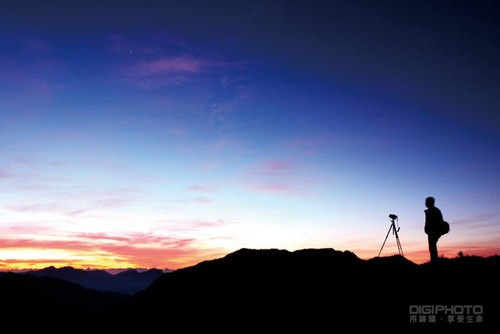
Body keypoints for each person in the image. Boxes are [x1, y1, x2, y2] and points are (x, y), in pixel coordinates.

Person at [424, 196, 444, 262]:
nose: (425, 203)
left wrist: (430, 229)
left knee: (432, 247)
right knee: (432, 247)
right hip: (432, 231)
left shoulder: (433, 211)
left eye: (426, 202)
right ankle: (434, 261)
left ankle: (434, 262)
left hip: (433, 231)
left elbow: (435, 222)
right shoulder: (433, 210)